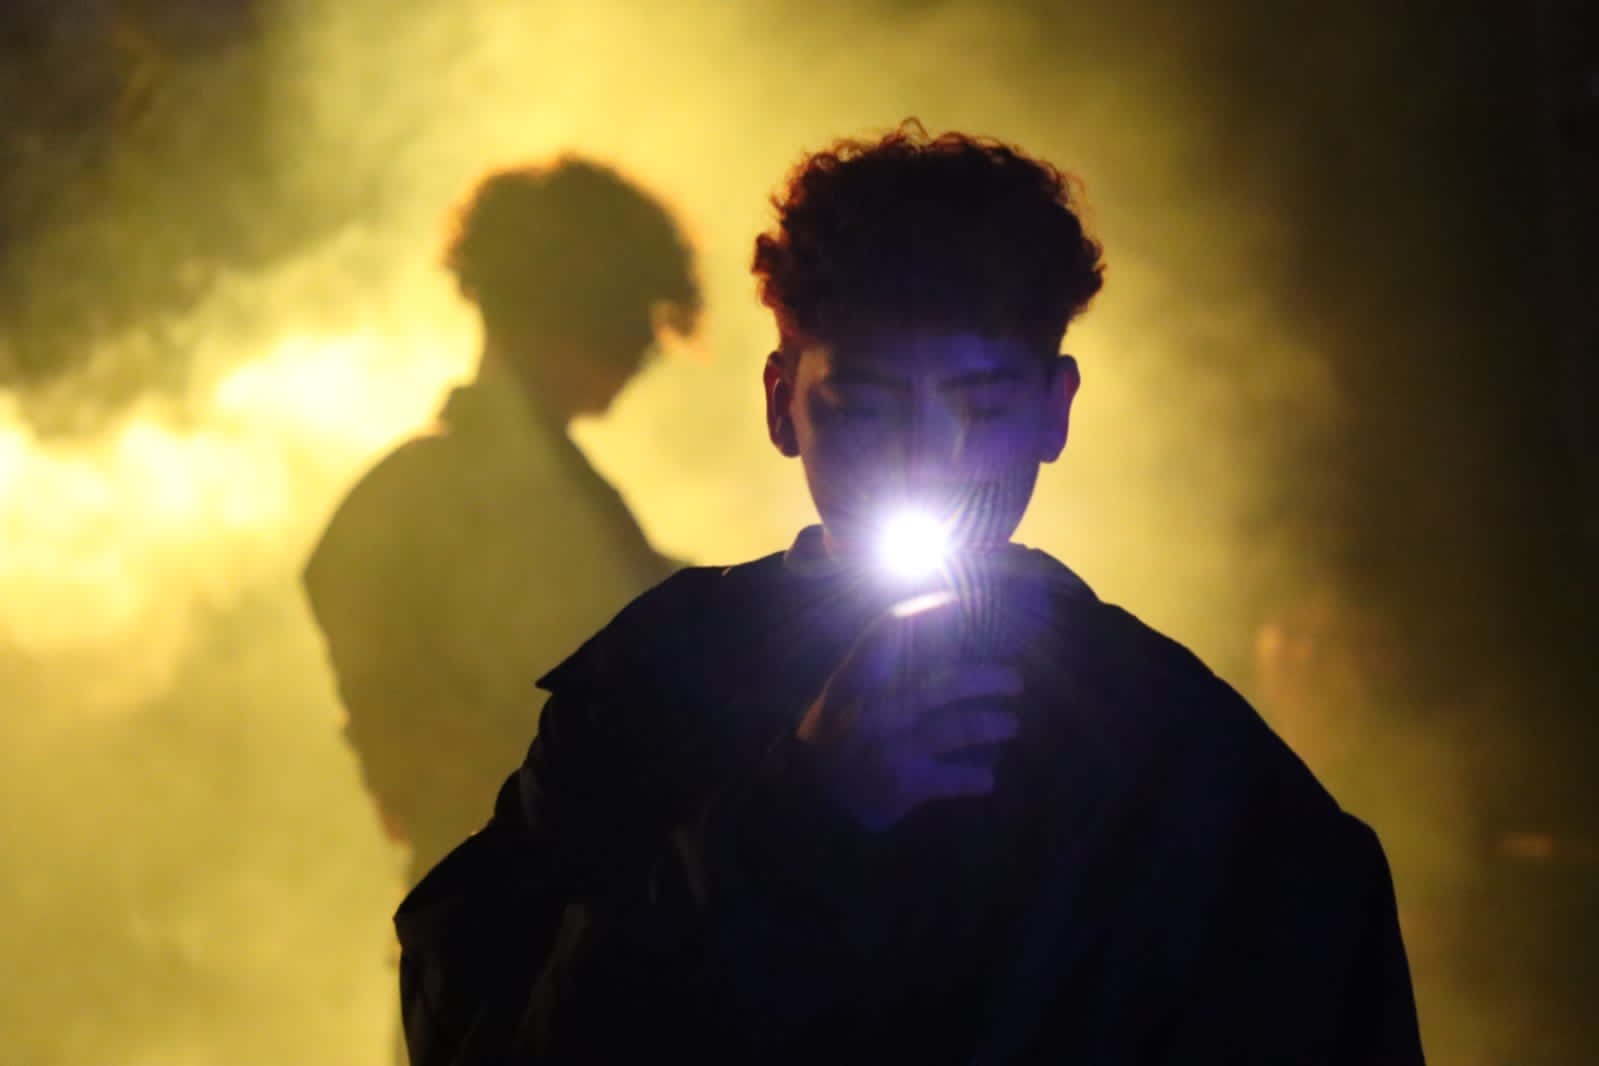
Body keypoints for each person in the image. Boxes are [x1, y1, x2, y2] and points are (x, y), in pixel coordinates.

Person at [393, 122, 1425, 1064]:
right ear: (782, 401)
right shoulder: (652, 683)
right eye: (869, 405)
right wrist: (803, 819)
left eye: (982, 403)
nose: (928, 457)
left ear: (1055, 411)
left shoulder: (1186, 753)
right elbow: (494, 1032)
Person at [303, 157, 701, 890]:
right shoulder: (485, 491)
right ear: (575, 312)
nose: (644, 350)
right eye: (631, 320)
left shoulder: (451, 486)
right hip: (529, 897)